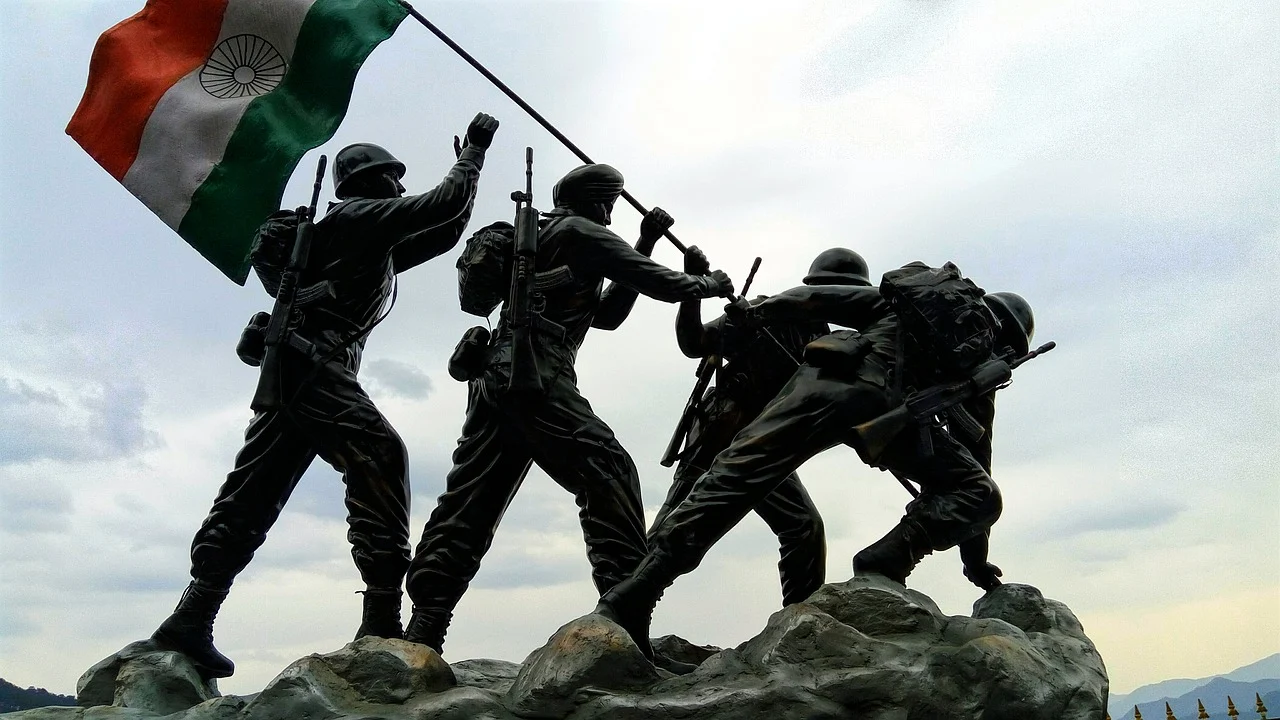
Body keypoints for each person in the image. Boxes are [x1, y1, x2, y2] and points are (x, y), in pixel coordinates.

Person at [150, 113, 500, 679]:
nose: (401, 188)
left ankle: (193, 615)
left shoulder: (365, 237)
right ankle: (382, 614)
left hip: (303, 367)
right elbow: (439, 204)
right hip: (312, 365)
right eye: (394, 178)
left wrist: (465, 180)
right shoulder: (360, 217)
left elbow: (443, 228)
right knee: (379, 456)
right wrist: (475, 151)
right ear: (373, 181)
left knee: (255, 490)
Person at [403, 163, 735, 657]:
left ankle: (425, 626)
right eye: (612, 204)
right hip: (536, 372)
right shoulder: (582, 230)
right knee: (610, 471)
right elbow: (660, 285)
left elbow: (606, 316)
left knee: (472, 500)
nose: (612, 213)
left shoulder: (554, 233)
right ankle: (628, 615)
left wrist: (643, 241)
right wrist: (707, 283)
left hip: (496, 377)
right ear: (602, 202)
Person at [595, 272, 1011, 657]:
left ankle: (634, 595)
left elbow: (809, 299)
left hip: (824, 382)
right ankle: (884, 564)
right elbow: (978, 467)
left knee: (731, 483)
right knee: (979, 493)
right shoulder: (981, 357)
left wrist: (758, 311)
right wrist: (974, 560)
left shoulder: (911, 299)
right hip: (885, 404)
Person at [654, 248, 874, 607]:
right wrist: (692, 288)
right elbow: (692, 343)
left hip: (768, 440)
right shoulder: (760, 313)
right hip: (722, 430)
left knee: (803, 526)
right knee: (678, 521)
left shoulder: (834, 345)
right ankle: (621, 603)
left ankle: (801, 623)